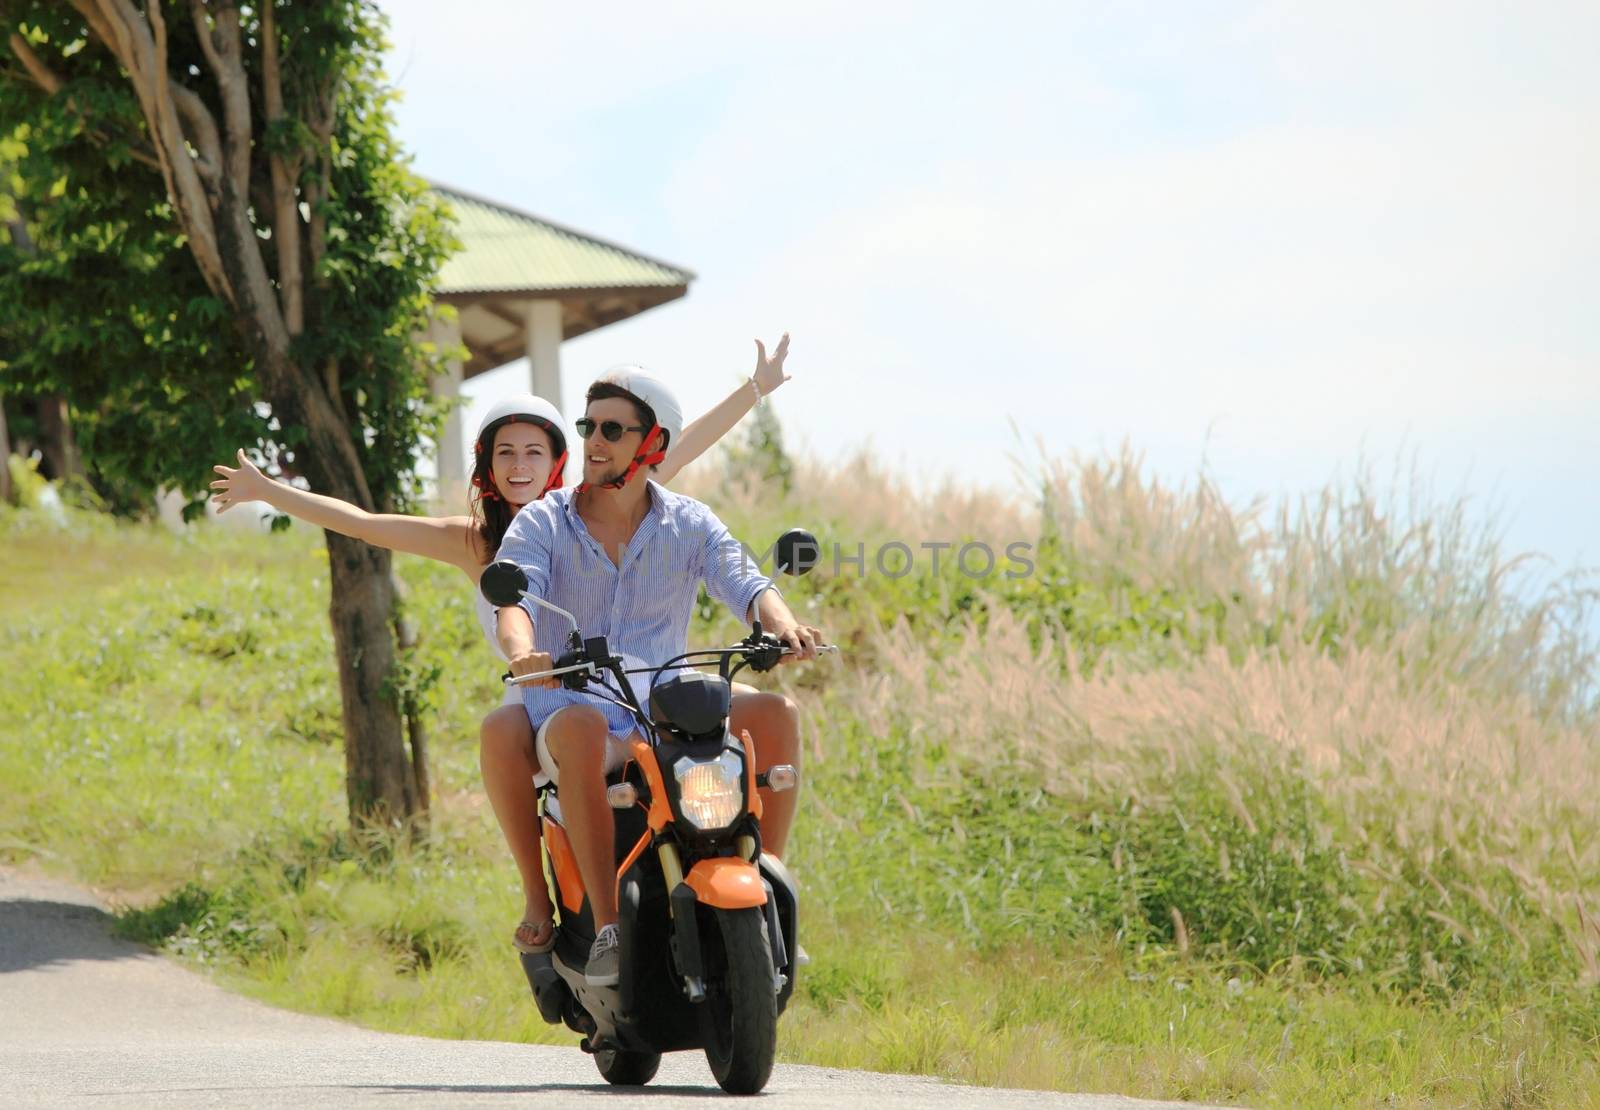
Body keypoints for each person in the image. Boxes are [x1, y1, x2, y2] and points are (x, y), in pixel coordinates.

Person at [209, 337, 794, 955]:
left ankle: (771, 892)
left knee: (770, 713)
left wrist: (754, 390)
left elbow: (681, 445)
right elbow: (363, 523)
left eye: (534, 451)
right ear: (486, 466)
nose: (520, 465)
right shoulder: (491, 537)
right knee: (503, 730)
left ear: (558, 461)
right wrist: (271, 492)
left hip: (639, 686)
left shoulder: (623, 499)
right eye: (505, 452)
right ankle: (558, 906)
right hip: (551, 685)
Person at [495, 366, 823, 986]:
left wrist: (783, 626)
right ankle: (610, 925)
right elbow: (514, 598)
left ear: (654, 446)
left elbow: (747, 582)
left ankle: (768, 883)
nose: (593, 441)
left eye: (612, 429)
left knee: (775, 714)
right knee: (584, 727)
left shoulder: (690, 522)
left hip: (661, 702)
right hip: (571, 699)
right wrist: (523, 653)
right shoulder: (543, 522)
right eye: (589, 425)